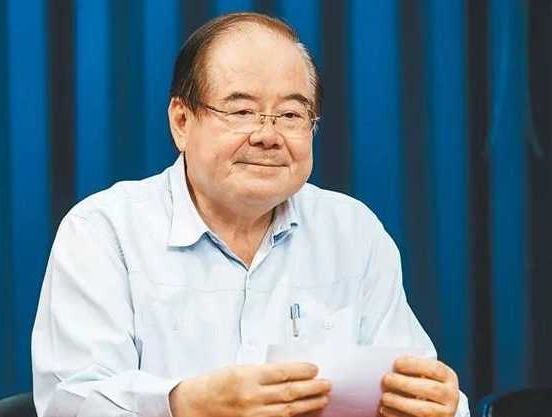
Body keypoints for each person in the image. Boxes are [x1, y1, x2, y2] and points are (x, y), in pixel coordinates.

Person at [31, 11, 470, 417]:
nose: (267, 135)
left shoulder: (353, 232)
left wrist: (439, 406)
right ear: (181, 121)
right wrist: (182, 404)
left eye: (291, 114)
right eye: (241, 111)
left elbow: (415, 383)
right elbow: (71, 402)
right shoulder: (104, 232)